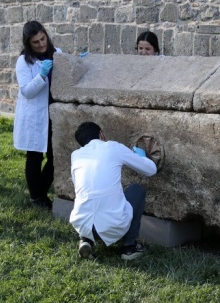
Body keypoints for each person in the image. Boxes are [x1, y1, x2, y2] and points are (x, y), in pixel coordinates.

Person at [70, 122, 157, 260]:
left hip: (82, 223)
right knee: (136, 190)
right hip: (113, 224)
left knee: (90, 196)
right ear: (101, 134)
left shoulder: (76, 155)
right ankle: (129, 247)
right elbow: (150, 170)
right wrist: (142, 157)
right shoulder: (113, 147)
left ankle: (86, 240)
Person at [13, 21, 62, 209]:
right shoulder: (24, 61)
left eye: (43, 39)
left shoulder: (57, 52)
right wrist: (41, 75)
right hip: (34, 116)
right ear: (28, 44)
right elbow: (26, 91)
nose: (41, 44)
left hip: (53, 114)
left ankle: (41, 193)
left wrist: (78, 62)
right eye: (36, 42)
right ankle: (36, 198)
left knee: (54, 156)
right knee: (34, 156)